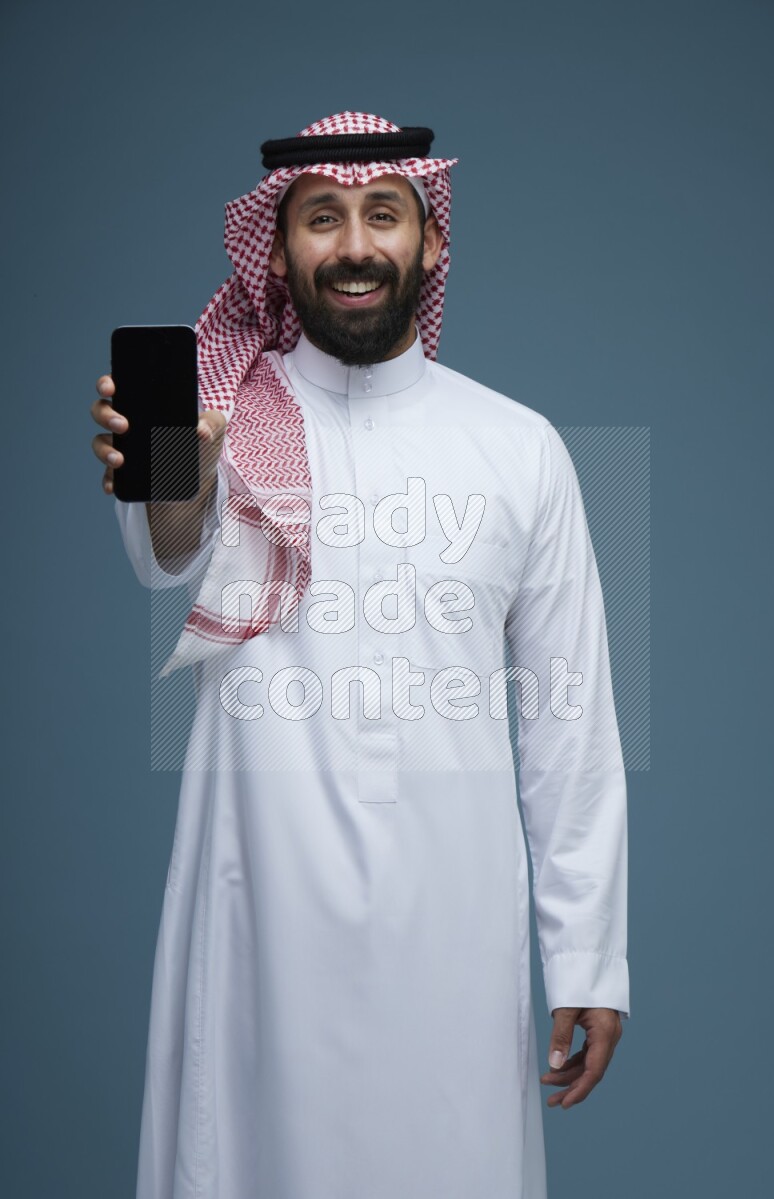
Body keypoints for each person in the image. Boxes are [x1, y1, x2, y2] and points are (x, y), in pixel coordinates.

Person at [90, 112, 629, 1199]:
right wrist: (168, 474)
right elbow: (165, 557)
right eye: (319, 218)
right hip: (259, 898)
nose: (352, 245)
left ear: (428, 244)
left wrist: (584, 953)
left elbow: (569, 718)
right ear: (278, 251)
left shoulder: (517, 446)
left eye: (382, 215)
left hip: (455, 911)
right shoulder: (222, 422)